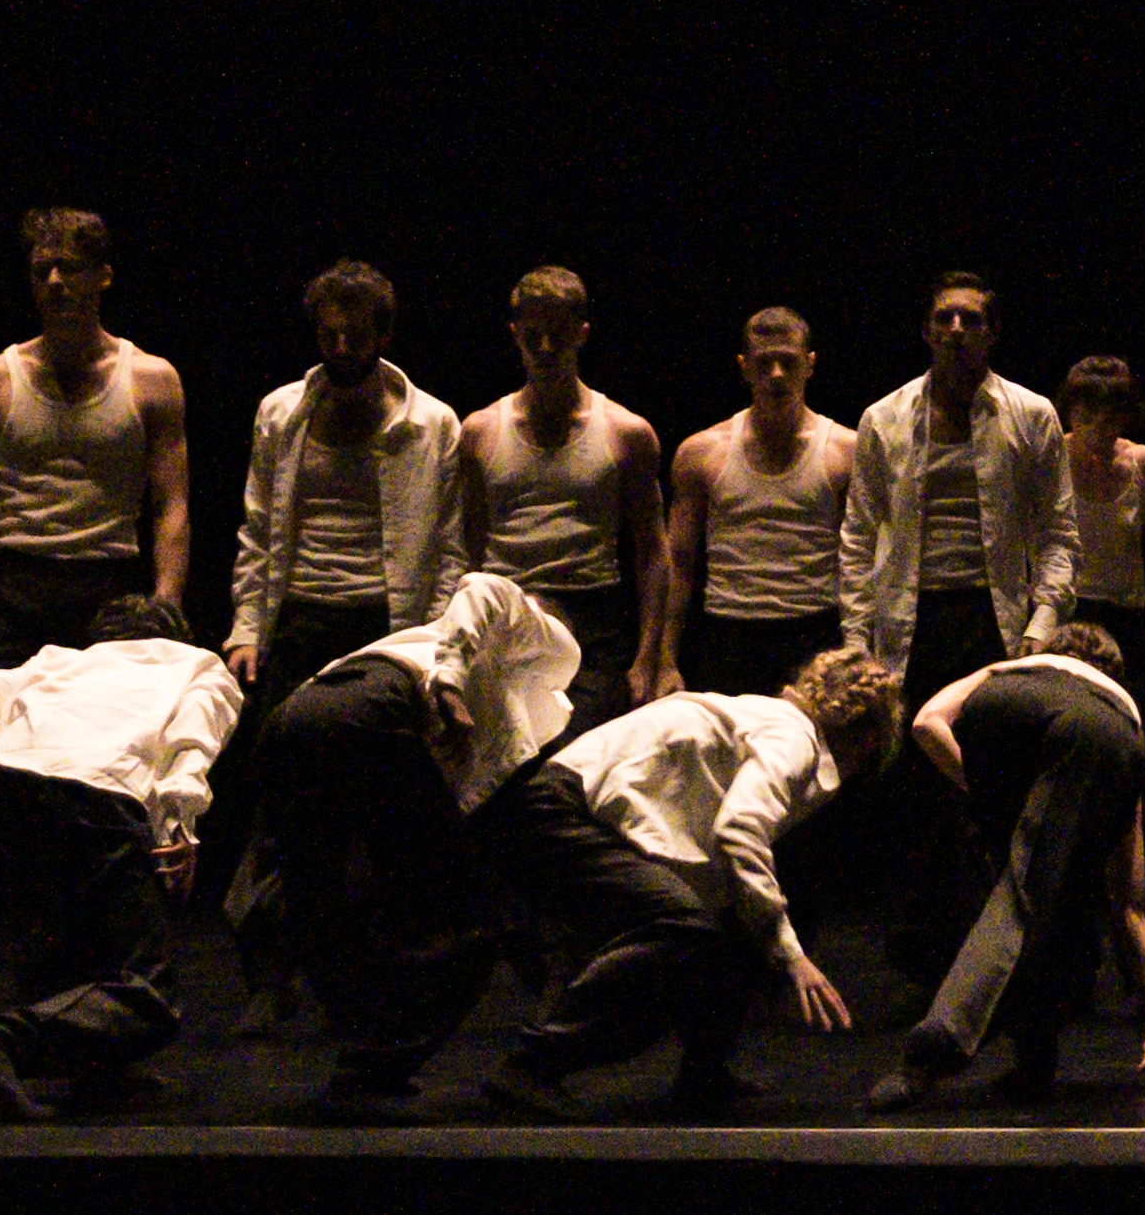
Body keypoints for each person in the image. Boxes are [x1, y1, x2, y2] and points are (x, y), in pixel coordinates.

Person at [464, 644, 897, 1121]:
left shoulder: (760, 715)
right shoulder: (793, 738)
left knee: (731, 928)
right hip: (563, 810)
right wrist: (792, 955)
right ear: (868, 737)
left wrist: (764, 934)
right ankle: (531, 1065)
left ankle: (703, 1075)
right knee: (683, 926)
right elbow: (741, 829)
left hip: (570, 805)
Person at [213, 261, 461, 1032]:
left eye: (356, 335)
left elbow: (450, 550)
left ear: (383, 338)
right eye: (329, 335)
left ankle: (383, 983)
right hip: (301, 625)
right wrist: (249, 629)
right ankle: (273, 974)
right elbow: (257, 531)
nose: (342, 347)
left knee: (391, 813)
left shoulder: (431, 424)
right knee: (283, 814)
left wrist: (437, 652)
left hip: (389, 630)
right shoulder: (282, 414)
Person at [261, 572, 592, 1114]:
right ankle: (371, 1068)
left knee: (334, 906)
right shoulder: (541, 635)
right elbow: (486, 587)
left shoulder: (430, 644)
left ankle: (362, 1063)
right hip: (372, 712)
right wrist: (451, 680)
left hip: (295, 718)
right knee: (464, 921)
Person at [0, 592, 243, 1119]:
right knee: (149, 994)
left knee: (73, 938)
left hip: (5, 790)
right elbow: (193, 739)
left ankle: (105, 1076)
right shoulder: (197, 664)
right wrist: (179, 824)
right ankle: (0, 1040)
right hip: (95, 792)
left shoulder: (56, 659)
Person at [841, 271, 1077, 974]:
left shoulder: (1030, 415)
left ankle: (1011, 961)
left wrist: (1039, 624)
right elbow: (858, 535)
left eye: (970, 320)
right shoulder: (883, 418)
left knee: (997, 794)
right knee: (918, 804)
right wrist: (856, 645)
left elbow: (1060, 532)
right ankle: (927, 966)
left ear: (992, 332)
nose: (955, 332)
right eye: (943, 318)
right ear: (924, 330)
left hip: (995, 623)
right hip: (911, 628)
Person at [866, 623, 1145, 1110]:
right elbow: (1129, 905)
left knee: (1033, 886)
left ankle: (1034, 1060)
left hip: (999, 711)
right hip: (1102, 734)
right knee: (1031, 894)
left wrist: (984, 790)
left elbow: (925, 723)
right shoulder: (1114, 712)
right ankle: (929, 1053)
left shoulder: (1018, 668)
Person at [0, 208, 193, 676]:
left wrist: (165, 608)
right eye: (41, 271)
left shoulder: (152, 380)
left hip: (108, 583)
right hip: (15, 583)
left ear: (103, 277)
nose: (55, 281)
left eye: (69, 268)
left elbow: (170, 505)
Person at [445, 264, 662, 735]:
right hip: (505, 609)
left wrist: (649, 658)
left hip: (594, 619)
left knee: (574, 756)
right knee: (499, 757)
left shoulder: (627, 433)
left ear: (582, 334)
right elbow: (466, 547)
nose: (545, 348)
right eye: (533, 334)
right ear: (515, 335)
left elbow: (652, 552)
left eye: (558, 334)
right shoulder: (480, 432)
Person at [658, 306, 856, 700]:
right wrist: (664, 661)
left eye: (789, 361)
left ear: (810, 365)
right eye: (765, 363)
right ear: (744, 367)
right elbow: (678, 563)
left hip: (816, 631)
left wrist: (860, 650)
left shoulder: (845, 451)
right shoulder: (702, 453)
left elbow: (864, 560)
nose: (777, 374)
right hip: (728, 635)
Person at [1052, 356, 1145, 670]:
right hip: (1064, 607)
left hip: (1126, 612)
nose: (1099, 430)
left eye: (1111, 419)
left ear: (1125, 417)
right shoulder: (1050, 457)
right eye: (1088, 417)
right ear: (1071, 413)